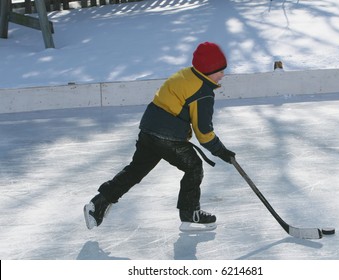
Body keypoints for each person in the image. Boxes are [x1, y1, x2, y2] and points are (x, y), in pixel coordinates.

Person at [84, 42, 236, 232]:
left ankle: (97, 204)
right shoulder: (203, 93)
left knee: (135, 170)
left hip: (148, 128)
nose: (222, 75)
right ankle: (190, 216)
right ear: (207, 69)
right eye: (219, 71)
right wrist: (220, 151)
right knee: (194, 167)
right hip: (167, 136)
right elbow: (203, 132)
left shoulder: (185, 74)